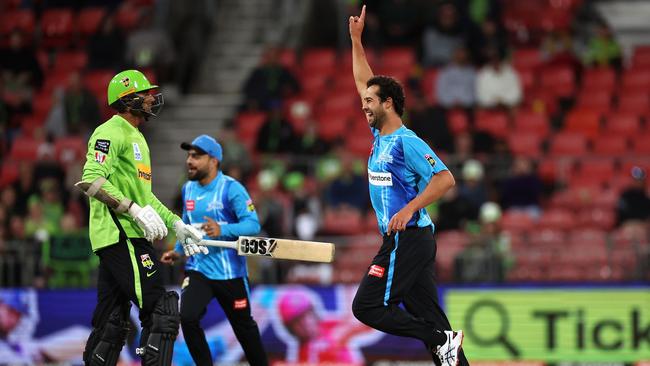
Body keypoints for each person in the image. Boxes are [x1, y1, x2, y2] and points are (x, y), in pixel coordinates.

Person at [348, 7, 468, 366]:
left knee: (366, 306)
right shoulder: (378, 133)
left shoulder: (406, 141)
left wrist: (408, 208)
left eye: (371, 101)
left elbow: (445, 178)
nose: (364, 105)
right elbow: (361, 80)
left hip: (408, 236)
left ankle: (438, 339)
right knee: (436, 326)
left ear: (388, 104)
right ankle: (443, 342)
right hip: (408, 239)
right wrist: (356, 40)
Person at [78, 69, 208, 366]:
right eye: (145, 94)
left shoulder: (137, 138)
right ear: (126, 100)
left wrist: (177, 224)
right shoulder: (109, 132)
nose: (151, 98)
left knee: (111, 322)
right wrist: (131, 209)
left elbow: (145, 197)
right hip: (122, 234)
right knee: (161, 310)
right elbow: (92, 180)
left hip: (126, 234)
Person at [160, 134, 268, 366]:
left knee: (244, 330)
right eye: (189, 155)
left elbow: (253, 225)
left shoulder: (232, 188)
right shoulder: (187, 189)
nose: (190, 161)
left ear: (214, 161)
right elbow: (187, 226)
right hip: (199, 269)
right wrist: (179, 251)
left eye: (196, 156)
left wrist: (222, 229)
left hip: (231, 274)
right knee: (187, 317)